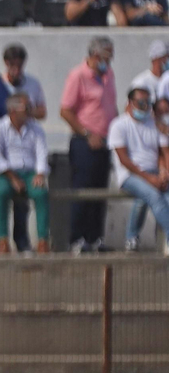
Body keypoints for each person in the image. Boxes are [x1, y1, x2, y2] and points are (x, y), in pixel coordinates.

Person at [60, 36, 117, 253]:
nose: (109, 61)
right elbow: (65, 111)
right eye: (106, 57)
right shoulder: (78, 76)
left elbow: (110, 106)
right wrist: (86, 134)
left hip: (105, 141)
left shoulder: (108, 75)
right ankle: (77, 239)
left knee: (100, 191)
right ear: (94, 56)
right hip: (84, 142)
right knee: (82, 191)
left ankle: (95, 238)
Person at [0, 44, 48, 187]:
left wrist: (25, 111)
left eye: (19, 65)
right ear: (6, 63)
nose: (16, 69)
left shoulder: (33, 84)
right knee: (1, 190)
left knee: (24, 191)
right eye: (12, 64)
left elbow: (42, 112)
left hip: (23, 143)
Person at [0, 94, 52, 253]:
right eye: (26, 107)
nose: (30, 110)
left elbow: (42, 152)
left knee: (41, 193)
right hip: (7, 173)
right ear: (13, 110)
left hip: (29, 172)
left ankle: (43, 240)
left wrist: (40, 173)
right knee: (2, 192)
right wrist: (12, 178)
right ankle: (2, 240)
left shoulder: (35, 129)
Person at [108, 87, 169, 254]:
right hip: (130, 175)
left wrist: (164, 171)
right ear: (129, 104)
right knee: (153, 196)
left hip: (153, 172)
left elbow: (163, 152)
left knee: (158, 197)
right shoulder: (118, 125)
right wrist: (149, 178)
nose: (145, 107)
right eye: (140, 103)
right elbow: (124, 161)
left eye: (148, 103)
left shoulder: (154, 124)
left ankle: (132, 238)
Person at [129, 39, 169, 106]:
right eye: (165, 57)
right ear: (155, 59)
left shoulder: (166, 80)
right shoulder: (141, 82)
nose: (167, 61)